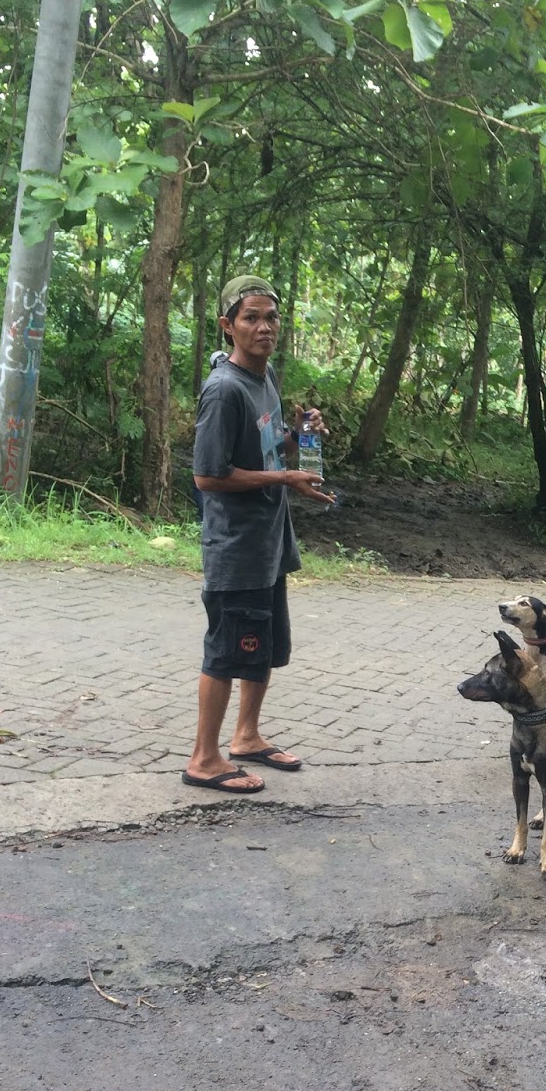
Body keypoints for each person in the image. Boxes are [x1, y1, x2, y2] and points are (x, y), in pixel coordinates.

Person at [182, 275, 335, 794]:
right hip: (237, 547)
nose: (264, 327)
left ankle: (245, 737)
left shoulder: (263, 378)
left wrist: (300, 437)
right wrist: (285, 479)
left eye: (271, 317)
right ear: (228, 326)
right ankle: (204, 759)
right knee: (227, 651)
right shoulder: (223, 390)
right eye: (251, 318)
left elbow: (267, 447)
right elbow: (208, 476)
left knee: (261, 645)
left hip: (269, 541)